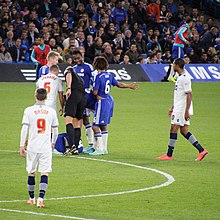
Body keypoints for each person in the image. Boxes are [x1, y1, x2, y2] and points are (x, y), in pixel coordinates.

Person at [157, 58, 208, 161]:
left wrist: (186, 111)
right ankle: (201, 150)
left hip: (182, 108)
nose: (172, 66)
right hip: (179, 106)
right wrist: (173, 107)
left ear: (177, 66)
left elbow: (189, 94)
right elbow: (180, 95)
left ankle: (169, 155)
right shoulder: (180, 77)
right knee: (184, 131)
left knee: (173, 129)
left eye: (173, 64)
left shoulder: (185, 78)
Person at [89, 56, 139, 155]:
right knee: (103, 125)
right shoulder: (109, 75)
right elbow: (118, 84)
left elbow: (95, 92)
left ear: (96, 65)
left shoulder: (98, 77)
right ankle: (104, 148)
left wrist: (91, 92)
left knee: (95, 126)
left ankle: (99, 148)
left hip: (101, 102)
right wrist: (129, 86)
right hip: (109, 101)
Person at [19, 88, 59, 208]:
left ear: (35, 96)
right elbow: (55, 130)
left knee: (31, 172)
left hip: (32, 146)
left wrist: (21, 145)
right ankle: (40, 199)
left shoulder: (29, 110)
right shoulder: (51, 111)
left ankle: (31, 198)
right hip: (45, 146)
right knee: (44, 172)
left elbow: (24, 129)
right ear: (46, 97)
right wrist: (53, 142)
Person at [71, 50, 95, 151]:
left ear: (82, 56)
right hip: (77, 96)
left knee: (85, 119)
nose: (77, 60)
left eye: (78, 58)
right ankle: (79, 142)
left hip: (86, 96)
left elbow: (93, 79)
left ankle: (91, 143)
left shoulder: (88, 67)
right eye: (75, 59)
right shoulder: (73, 69)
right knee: (77, 119)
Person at [63, 67, 86, 155]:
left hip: (74, 95)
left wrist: (68, 88)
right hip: (83, 98)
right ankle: (75, 148)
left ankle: (71, 146)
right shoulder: (80, 79)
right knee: (77, 123)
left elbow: (68, 73)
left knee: (69, 120)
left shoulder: (69, 71)